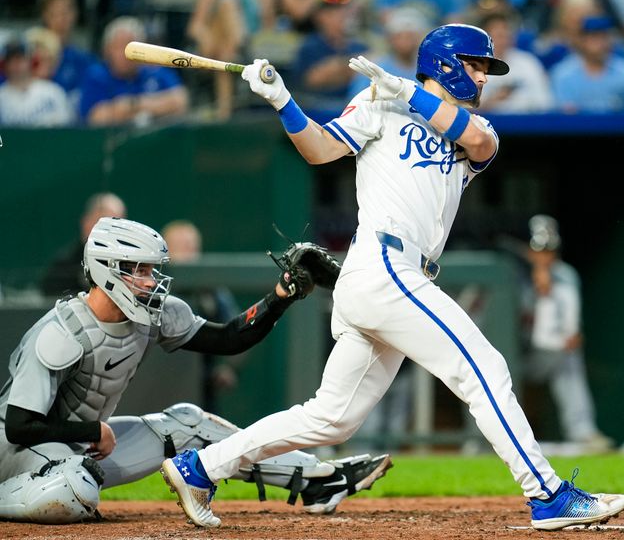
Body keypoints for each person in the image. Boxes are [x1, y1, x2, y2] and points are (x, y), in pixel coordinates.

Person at [162, 23, 624, 530]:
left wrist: (405, 90)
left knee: (330, 417)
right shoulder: (376, 104)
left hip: (397, 275)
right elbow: (319, 151)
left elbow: (472, 139)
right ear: (447, 63)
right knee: (485, 370)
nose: (482, 77)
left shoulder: (476, 127)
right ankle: (548, 494)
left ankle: (201, 467)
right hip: (382, 266)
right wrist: (283, 101)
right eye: (475, 65)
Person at [0, 217, 391, 524]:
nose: (151, 281)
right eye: (140, 270)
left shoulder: (153, 315)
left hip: (88, 449)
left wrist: (280, 297)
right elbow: (19, 426)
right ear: (108, 269)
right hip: (18, 456)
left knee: (187, 423)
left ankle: (315, 480)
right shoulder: (61, 332)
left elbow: (230, 339)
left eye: (152, 270)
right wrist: (92, 431)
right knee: (74, 490)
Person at [520, 215, 612, 452]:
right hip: (516, 353)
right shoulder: (516, 274)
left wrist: (548, 291)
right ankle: (497, 436)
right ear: (529, 252)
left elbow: (571, 325)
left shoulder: (565, 275)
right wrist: (534, 293)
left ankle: (583, 431)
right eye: (539, 250)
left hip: (549, 354)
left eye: (549, 250)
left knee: (568, 357)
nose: (545, 256)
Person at [161, 219, 242, 413]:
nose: (188, 253)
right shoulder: (152, 285)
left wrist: (228, 367)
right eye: (180, 247)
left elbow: (238, 327)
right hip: (158, 383)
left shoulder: (211, 289)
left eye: (192, 247)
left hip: (201, 389)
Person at [79, 16, 189, 126]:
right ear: (107, 50)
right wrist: (154, 108)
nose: (125, 54)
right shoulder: (97, 75)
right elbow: (95, 117)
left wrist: (134, 104)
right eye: (119, 47)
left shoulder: (153, 71)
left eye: (131, 48)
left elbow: (180, 101)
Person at [40, 192, 128, 297]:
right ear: (85, 222)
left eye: (115, 226)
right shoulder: (65, 264)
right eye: (100, 223)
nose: (107, 232)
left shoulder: (130, 263)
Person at [550, 16, 624, 112]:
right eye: (595, 37)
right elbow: (564, 115)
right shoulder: (563, 74)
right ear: (582, 41)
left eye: (605, 37)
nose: (602, 43)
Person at [0, 38, 73, 127]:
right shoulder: (2, 96)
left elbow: (66, 126)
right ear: (5, 64)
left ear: (31, 61)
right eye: (11, 60)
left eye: (21, 58)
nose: (17, 64)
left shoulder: (52, 91)